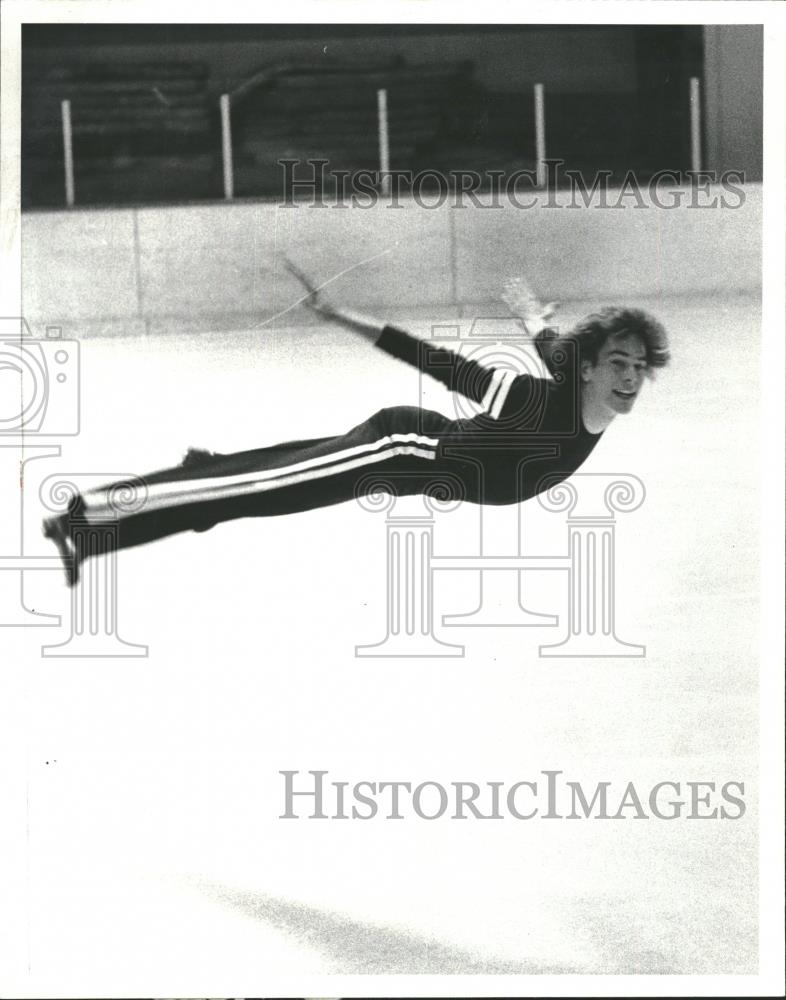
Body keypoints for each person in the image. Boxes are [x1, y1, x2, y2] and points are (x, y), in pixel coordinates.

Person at [43, 263, 670, 586]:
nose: (629, 377)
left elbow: (551, 340)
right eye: (617, 363)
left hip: (400, 471)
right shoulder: (533, 397)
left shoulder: (574, 370)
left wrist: (530, 314)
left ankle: (106, 526)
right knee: (259, 488)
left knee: (251, 496)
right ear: (589, 370)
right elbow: (436, 361)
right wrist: (340, 313)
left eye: (639, 366)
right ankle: (83, 514)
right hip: (396, 448)